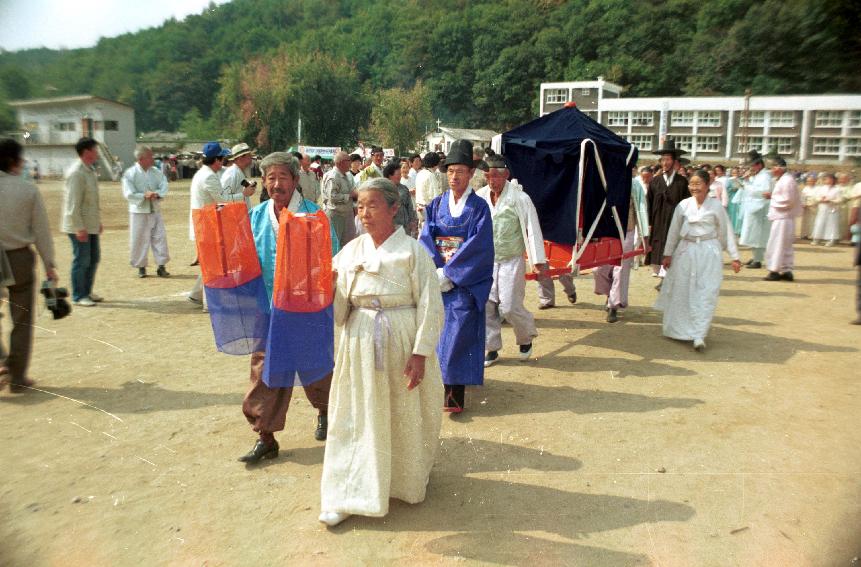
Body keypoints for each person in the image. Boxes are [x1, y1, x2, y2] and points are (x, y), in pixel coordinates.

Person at [318, 177, 444, 528]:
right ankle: (347, 492)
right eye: (359, 206)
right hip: (358, 338)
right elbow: (340, 307)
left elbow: (431, 306)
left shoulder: (413, 252)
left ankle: (403, 481)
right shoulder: (351, 251)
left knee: (400, 412)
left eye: (372, 205)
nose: (364, 213)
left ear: (393, 208)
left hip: (401, 336)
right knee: (356, 413)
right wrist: (332, 291)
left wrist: (420, 353)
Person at [241, 152, 337, 463]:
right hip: (268, 313)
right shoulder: (256, 217)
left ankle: (325, 410)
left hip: (306, 312)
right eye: (270, 178)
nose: (276, 184)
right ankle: (265, 436)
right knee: (265, 372)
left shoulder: (314, 217)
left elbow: (330, 261)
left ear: (295, 181)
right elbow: (245, 261)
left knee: (316, 368)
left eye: (283, 177)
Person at [419, 139, 494, 413]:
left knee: (458, 330)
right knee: (437, 331)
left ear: (471, 174)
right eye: (450, 171)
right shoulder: (436, 204)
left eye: (461, 171)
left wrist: (451, 274)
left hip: (464, 282)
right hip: (439, 277)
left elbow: (480, 246)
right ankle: (438, 387)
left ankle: (454, 393)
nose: (455, 176)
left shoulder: (479, 208)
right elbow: (426, 237)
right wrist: (436, 270)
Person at [654, 169, 741, 351]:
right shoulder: (683, 205)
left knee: (706, 292)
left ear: (707, 185)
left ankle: (699, 334)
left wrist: (734, 256)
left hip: (709, 251)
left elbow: (725, 232)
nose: (694, 187)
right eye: (691, 184)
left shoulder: (716, 206)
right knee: (683, 290)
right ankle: (680, 330)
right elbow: (674, 231)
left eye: (698, 184)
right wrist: (668, 254)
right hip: (686, 251)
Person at [475, 150, 546, 365]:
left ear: (506, 175)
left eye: (496, 175)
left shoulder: (519, 198)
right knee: (486, 305)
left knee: (509, 306)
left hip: (511, 260)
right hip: (487, 261)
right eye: (488, 176)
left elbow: (532, 229)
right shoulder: (480, 197)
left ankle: (525, 338)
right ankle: (492, 347)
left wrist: (538, 261)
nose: (492, 180)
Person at [0, 139, 58, 393]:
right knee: (22, 318)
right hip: (19, 257)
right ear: (16, 160)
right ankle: (17, 376)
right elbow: (41, 231)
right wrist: (49, 263)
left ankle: (1, 362)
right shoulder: (27, 189)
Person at [594, 169, 649, 322]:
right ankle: (609, 295)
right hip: (607, 231)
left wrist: (645, 238)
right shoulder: (604, 180)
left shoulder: (635, 185)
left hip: (627, 231)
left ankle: (613, 306)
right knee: (600, 269)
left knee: (620, 269)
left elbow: (641, 210)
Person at [62, 137, 103, 306]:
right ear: (87, 151)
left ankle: (87, 290)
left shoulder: (89, 170)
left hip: (90, 224)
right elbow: (72, 204)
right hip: (78, 226)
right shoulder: (76, 172)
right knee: (82, 260)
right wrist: (79, 228)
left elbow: (92, 202)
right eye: (95, 149)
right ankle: (79, 295)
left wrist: (97, 222)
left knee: (93, 258)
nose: (97, 152)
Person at [188, 142, 230, 306]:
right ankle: (209, 303)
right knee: (212, 264)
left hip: (203, 222)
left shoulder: (202, 173)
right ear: (217, 160)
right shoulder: (209, 176)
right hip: (206, 224)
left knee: (209, 262)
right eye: (222, 158)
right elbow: (223, 200)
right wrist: (243, 194)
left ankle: (196, 295)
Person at [122, 146, 171, 279]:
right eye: (150, 156)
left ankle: (161, 266)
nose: (152, 158)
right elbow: (129, 193)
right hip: (138, 211)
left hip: (155, 209)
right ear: (141, 159)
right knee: (139, 239)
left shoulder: (155, 172)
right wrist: (144, 195)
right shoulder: (130, 173)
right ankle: (141, 267)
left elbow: (164, 185)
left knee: (160, 237)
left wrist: (157, 194)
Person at [646, 139, 690, 287]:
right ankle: (664, 277)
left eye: (668, 159)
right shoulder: (655, 181)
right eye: (663, 160)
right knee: (659, 248)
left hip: (674, 221)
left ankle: (666, 279)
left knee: (672, 247)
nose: (665, 163)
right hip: (658, 221)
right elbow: (649, 203)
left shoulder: (682, 182)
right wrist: (649, 223)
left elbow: (687, 203)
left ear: (674, 161)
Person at [763, 157, 802, 281]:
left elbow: (787, 200)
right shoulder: (784, 180)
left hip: (783, 217)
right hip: (783, 217)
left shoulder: (786, 181)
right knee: (784, 245)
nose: (771, 170)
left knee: (777, 244)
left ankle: (774, 270)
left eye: (773, 167)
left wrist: (772, 196)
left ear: (779, 168)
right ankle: (786, 270)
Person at [739, 151, 772, 267]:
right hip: (753, 207)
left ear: (759, 165)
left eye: (752, 165)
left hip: (760, 208)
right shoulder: (758, 175)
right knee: (752, 234)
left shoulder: (765, 176)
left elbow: (763, 192)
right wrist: (747, 181)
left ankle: (758, 260)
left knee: (758, 235)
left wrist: (747, 185)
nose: (751, 168)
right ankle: (755, 257)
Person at [322, 150, 357, 246]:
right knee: (335, 244)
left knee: (348, 242)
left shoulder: (346, 175)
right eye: (348, 160)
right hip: (336, 215)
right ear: (340, 163)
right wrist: (350, 195)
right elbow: (332, 197)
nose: (350, 163)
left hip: (346, 214)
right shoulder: (333, 176)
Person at [383, 160, 418, 237]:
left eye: (400, 174)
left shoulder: (404, 188)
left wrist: (412, 222)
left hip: (405, 226)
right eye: (398, 174)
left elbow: (409, 206)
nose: (400, 176)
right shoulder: (383, 190)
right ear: (390, 175)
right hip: (390, 226)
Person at [220, 142, 257, 209]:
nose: (251, 158)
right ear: (240, 158)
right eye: (249, 155)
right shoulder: (232, 174)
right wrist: (244, 194)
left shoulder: (238, 172)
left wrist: (248, 191)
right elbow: (222, 199)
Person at [811, 173, 843, 246]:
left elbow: (840, 200)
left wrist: (830, 200)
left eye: (829, 179)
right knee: (819, 222)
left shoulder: (837, 189)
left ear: (833, 180)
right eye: (826, 179)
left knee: (831, 224)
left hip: (832, 208)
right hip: (822, 208)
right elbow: (816, 197)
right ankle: (817, 238)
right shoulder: (821, 188)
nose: (827, 180)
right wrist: (820, 199)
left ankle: (831, 239)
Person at [415, 151, 442, 228]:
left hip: (419, 207)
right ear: (435, 163)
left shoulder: (420, 173)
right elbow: (435, 197)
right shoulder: (430, 175)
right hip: (427, 209)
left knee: (421, 232)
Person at [800, 174, 819, 239]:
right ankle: (805, 234)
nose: (810, 182)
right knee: (806, 221)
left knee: (813, 221)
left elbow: (817, 198)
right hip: (806, 207)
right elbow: (802, 197)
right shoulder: (805, 188)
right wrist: (803, 203)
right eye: (808, 181)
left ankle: (813, 234)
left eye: (811, 181)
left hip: (813, 206)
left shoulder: (818, 189)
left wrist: (811, 204)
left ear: (815, 181)